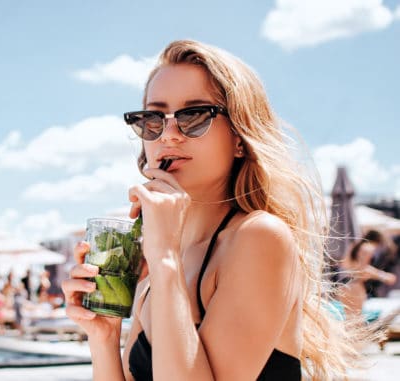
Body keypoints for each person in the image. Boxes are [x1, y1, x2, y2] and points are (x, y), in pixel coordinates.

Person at [62, 39, 363, 380]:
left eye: (194, 116)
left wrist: (164, 262)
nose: (169, 134)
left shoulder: (258, 237)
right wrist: (103, 336)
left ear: (239, 137)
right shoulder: (162, 263)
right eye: (153, 118)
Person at [338, 240, 397, 319]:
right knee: (354, 318)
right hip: (352, 292)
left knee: (352, 318)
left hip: (349, 292)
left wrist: (379, 275)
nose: (367, 257)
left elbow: (390, 279)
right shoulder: (355, 264)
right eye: (365, 254)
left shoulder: (362, 268)